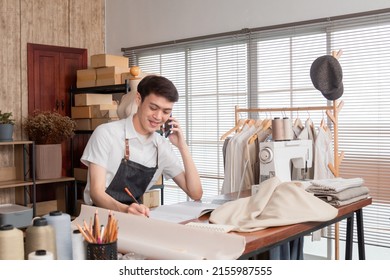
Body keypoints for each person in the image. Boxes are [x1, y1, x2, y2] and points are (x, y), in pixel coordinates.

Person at [81, 75, 203, 217]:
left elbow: (195, 193)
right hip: (99, 220)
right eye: (153, 107)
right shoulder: (106, 133)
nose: (158, 116)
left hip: (134, 219)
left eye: (166, 111)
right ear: (138, 99)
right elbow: (96, 193)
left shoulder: (161, 146)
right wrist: (126, 210)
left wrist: (183, 146)